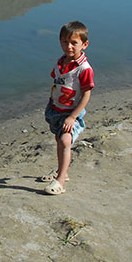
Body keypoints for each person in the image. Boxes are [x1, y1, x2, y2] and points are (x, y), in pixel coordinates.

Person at [41, 21, 94, 195]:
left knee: (65, 141)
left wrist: (73, 117)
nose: (69, 46)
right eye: (64, 42)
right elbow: (57, 82)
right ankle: (60, 171)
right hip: (56, 109)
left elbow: (86, 94)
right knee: (59, 140)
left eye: (74, 43)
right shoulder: (61, 62)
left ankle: (61, 180)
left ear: (84, 45)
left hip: (71, 113)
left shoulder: (84, 69)